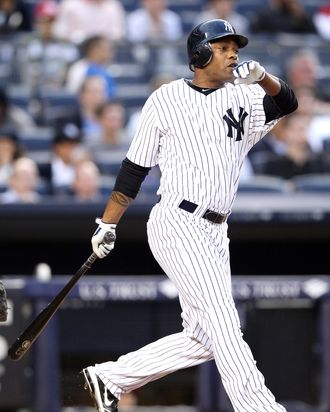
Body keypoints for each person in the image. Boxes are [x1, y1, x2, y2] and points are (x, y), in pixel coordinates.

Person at [80, 18, 298, 412]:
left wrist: (264, 77)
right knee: (226, 326)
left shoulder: (244, 97)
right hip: (179, 222)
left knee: (203, 337)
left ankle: (111, 377)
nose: (233, 53)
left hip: (217, 230)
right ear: (198, 54)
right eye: (222, 46)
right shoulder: (166, 99)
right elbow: (134, 169)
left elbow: (287, 102)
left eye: (236, 46)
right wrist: (107, 222)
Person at [17, 0, 79, 90]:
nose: (48, 26)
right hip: (31, 90)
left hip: (58, 92)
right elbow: (22, 72)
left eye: (51, 21)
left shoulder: (66, 46)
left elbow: (70, 74)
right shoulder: (26, 44)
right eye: (44, 21)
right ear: (36, 23)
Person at [53, 0, 126, 44]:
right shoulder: (70, 4)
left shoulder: (113, 6)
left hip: (106, 50)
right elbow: (60, 32)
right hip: (75, 49)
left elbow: (118, 34)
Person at [250, 0, 316, 34]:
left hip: (297, 53)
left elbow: (313, 36)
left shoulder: (301, 16)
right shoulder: (265, 16)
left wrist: (299, 16)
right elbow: (255, 34)